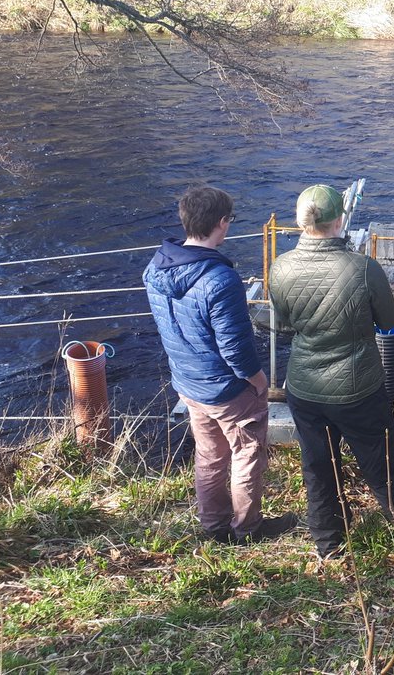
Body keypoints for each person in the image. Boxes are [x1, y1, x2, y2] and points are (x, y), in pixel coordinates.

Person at [268, 184, 394, 558]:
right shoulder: (363, 269)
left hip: (304, 387)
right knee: (384, 467)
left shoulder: (279, 268)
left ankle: (329, 545)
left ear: (299, 222)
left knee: (317, 466)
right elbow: (388, 321)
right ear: (340, 220)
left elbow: (283, 326)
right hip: (357, 386)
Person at [144, 186, 291, 544]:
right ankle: (247, 529)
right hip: (227, 390)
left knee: (209, 456)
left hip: (189, 383)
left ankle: (214, 527)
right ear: (222, 223)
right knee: (246, 454)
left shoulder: (155, 268)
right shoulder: (220, 279)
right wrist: (259, 381)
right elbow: (236, 349)